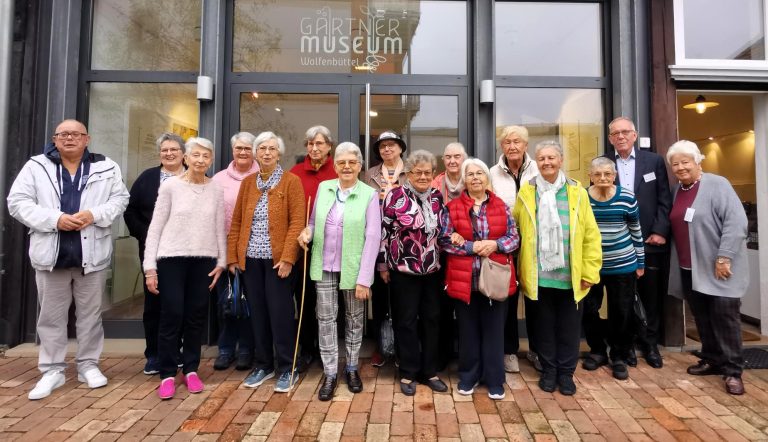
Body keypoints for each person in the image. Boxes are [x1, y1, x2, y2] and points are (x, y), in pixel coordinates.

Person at [8, 119, 129, 400]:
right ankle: (52, 370)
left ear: (87, 139)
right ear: (55, 138)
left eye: (76, 134)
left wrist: (93, 215)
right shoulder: (36, 166)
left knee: (90, 316)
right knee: (50, 317)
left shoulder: (105, 166)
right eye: (63, 134)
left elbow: (120, 199)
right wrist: (55, 219)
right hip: (51, 255)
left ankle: (88, 365)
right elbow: (17, 202)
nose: (70, 138)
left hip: (92, 255)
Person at [513, 140, 602, 396]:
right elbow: (517, 229)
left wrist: (589, 271)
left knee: (569, 329)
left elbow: (591, 236)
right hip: (538, 276)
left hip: (570, 276)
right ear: (536, 162)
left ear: (561, 160)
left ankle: (566, 373)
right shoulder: (527, 192)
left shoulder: (577, 192)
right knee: (542, 327)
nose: (547, 163)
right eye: (542, 159)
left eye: (551, 158)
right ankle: (549, 371)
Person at [143, 137, 226, 400]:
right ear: (186, 158)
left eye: (206, 156)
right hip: (171, 259)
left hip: (204, 260)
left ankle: (191, 369)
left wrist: (222, 261)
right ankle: (167, 373)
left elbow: (219, 227)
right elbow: (155, 227)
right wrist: (149, 268)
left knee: (196, 316)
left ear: (211, 160)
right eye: (196, 155)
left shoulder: (216, 189)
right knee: (172, 314)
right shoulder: (170, 187)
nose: (201, 160)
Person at [298, 142, 381, 401]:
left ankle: (353, 367)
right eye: (342, 163)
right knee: (325, 319)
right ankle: (331, 371)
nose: (346, 167)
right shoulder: (324, 188)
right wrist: (307, 232)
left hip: (354, 268)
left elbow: (373, 236)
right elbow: (313, 221)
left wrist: (365, 278)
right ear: (335, 166)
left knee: (354, 320)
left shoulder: (369, 194)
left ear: (359, 166)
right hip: (323, 264)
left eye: (352, 163)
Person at [666, 141, 748, 395]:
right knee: (701, 316)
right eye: (675, 164)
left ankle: (733, 371)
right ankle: (713, 359)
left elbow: (736, 222)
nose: (680, 167)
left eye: (685, 162)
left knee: (725, 317)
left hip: (718, 267)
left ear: (697, 161)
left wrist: (724, 256)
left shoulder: (717, 184)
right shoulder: (677, 190)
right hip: (689, 267)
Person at [228, 131, 306, 393]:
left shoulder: (291, 181)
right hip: (250, 261)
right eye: (262, 148)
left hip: (277, 262)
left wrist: (287, 258)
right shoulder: (248, 182)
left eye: (272, 148)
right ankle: (263, 364)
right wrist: (233, 257)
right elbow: (237, 221)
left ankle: (288, 367)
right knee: (258, 315)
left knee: (281, 315)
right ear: (256, 153)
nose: (267, 153)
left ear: (279, 152)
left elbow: (297, 222)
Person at [440, 158, 520, 400]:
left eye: (479, 174)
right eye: (470, 174)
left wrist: (495, 244)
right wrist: (472, 247)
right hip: (465, 279)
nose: (475, 178)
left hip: (495, 279)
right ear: (464, 180)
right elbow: (444, 241)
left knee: (495, 331)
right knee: (468, 332)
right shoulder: (452, 207)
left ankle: (495, 379)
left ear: (487, 178)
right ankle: (469, 376)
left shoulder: (501, 206)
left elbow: (514, 238)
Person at [380, 149, 448, 396]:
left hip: (432, 271)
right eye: (417, 172)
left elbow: (444, 231)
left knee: (432, 320)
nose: (422, 176)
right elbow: (383, 233)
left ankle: (429, 371)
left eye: (427, 172)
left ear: (432, 174)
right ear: (408, 173)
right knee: (405, 322)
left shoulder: (437, 198)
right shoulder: (395, 196)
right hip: (402, 271)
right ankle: (408, 372)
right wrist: (383, 265)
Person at [606, 117, 671, 369]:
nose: (620, 137)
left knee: (650, 295)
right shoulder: (604, 163)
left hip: (649, 239)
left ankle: (650, 343)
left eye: (625, 132)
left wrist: (660, 230)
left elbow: (664, 199)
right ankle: (627, 345)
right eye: (615, 133)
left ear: (635, 135)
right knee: (622, 298)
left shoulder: (653, 161)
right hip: (618, 244)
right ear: (610, 138)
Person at [124, 132, 186, 376]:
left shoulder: (196, 177)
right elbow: (130, 212)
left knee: (180, 303)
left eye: (174, 149)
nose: (169, 154)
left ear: (183, 153)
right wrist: (147, 234)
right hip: (155, 251)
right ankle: (154, 354)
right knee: (155, 304)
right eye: (164, 150)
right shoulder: (148, 178)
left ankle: (176, 351)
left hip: (186, 252)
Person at [581, 157, 645, 380]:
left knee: (622, 311)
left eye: (607, 174)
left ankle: (619, 354)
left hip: (623, 264)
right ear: (590, 176)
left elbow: (635, 229)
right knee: (589, 309)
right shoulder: (582, 198)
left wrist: (641, 261)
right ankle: (597, 350)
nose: (602, 178)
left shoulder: (626, 197)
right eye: (597, 174)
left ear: (614, 176)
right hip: (591, 266)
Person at [489, 125, 541, 374]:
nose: (512, 146)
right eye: (507, 142)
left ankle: (537, 349)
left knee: (535, 297)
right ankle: (509, 351)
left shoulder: (539, 169)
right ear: (502, 146)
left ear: (526, 145)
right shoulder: (492, 173)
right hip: (506, 246)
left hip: (535, 245)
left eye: (517, 141)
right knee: (507, 299)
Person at [290, 125, 338, 371]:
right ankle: (308, 348)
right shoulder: (296, 172)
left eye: (319, 143)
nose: (314, 148)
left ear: (329, 146)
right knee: (307, 300)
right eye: (310, 144)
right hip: (304, 247)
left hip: (332, 248)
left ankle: (329, 347)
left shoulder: (339, 171)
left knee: (329, 302)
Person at [211, 132, 259, 371]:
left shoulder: (263, 177)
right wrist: (227, 255)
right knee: (227, 301)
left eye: (248, 148)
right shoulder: (219, 179)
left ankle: (247, 350)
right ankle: (225, 349)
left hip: (254, 250)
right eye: (239, 148)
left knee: (249, 303)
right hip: (224, 248)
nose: (243, 152)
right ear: (232, 150)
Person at [363, 130, 407, 367]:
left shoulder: (411, 172)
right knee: (379, 300)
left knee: (403, 301)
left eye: (391, 145)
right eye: (382, 147)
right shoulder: (369, 174)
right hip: (376, 241)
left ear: (401, 148)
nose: (387, 149)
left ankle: (401, 347)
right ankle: (381, 346)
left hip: (404, 244)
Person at [430, 142, 467, 370]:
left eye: (457, 156)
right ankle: (442, 355)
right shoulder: (435, 184)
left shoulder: (473, 178)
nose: (453, 161)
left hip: (467, 254)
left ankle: (465, 354)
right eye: (448, 157)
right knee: (441, 307)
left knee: (465, 307)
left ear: (464, 158)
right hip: (440, 253)